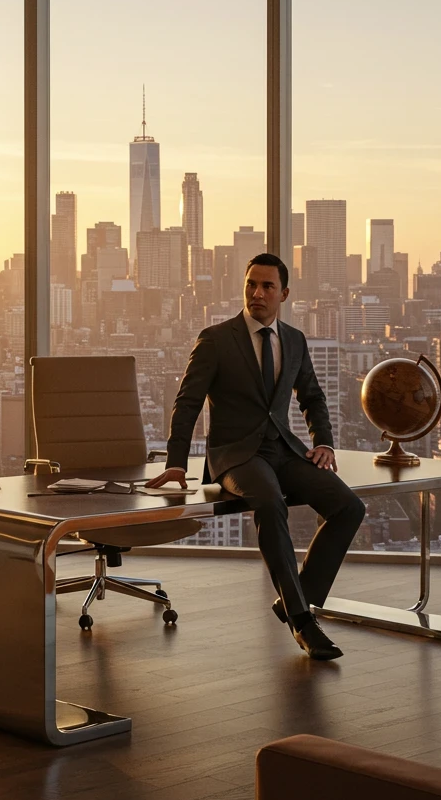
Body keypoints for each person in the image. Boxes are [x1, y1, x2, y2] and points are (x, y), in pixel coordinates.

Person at [147, 253, 365, 660]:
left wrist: (324, 442)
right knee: (268, 502)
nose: (257, 293)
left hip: (284, 449)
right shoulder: (216, 338)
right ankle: (302, 621)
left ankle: (293, 598)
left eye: (267, 286)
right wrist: (176, 461)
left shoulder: (295, 340)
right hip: (236, 456)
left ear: (284, 293)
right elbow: (187, 401)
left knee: (349, 506)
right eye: (251, 284)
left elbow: (312, 397)